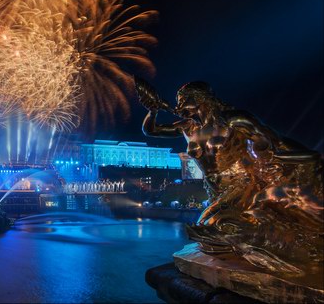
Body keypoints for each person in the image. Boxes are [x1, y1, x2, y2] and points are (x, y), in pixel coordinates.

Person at [136, 78, 323, 275]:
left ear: (201, 99)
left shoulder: (233, 120)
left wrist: (306, 157)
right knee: (208, 230)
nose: (178, 105)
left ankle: (284, 250)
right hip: (214, 190)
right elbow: (150, 130)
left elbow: (275, 142)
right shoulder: (187, 127)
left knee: (211, 226)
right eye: (178, 101)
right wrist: (153, 110)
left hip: (242, 184)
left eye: (183, 100)